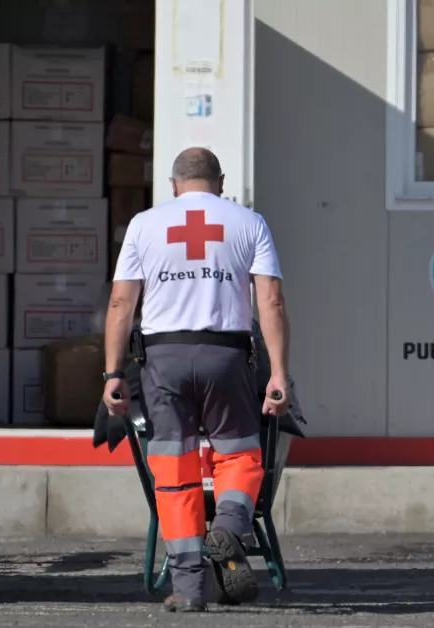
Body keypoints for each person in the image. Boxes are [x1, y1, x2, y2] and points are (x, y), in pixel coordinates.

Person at [102, 147, 292, 612]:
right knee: (239, 451)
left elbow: (121, 305)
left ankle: (188, 589)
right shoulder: (250, 222)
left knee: (173, 467)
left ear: (173, 184)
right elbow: (271, 303)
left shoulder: (145, 225)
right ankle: (227, 526)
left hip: (162, 358)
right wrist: (280, 374)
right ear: (220, 182)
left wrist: (111, 373)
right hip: (226, 356)